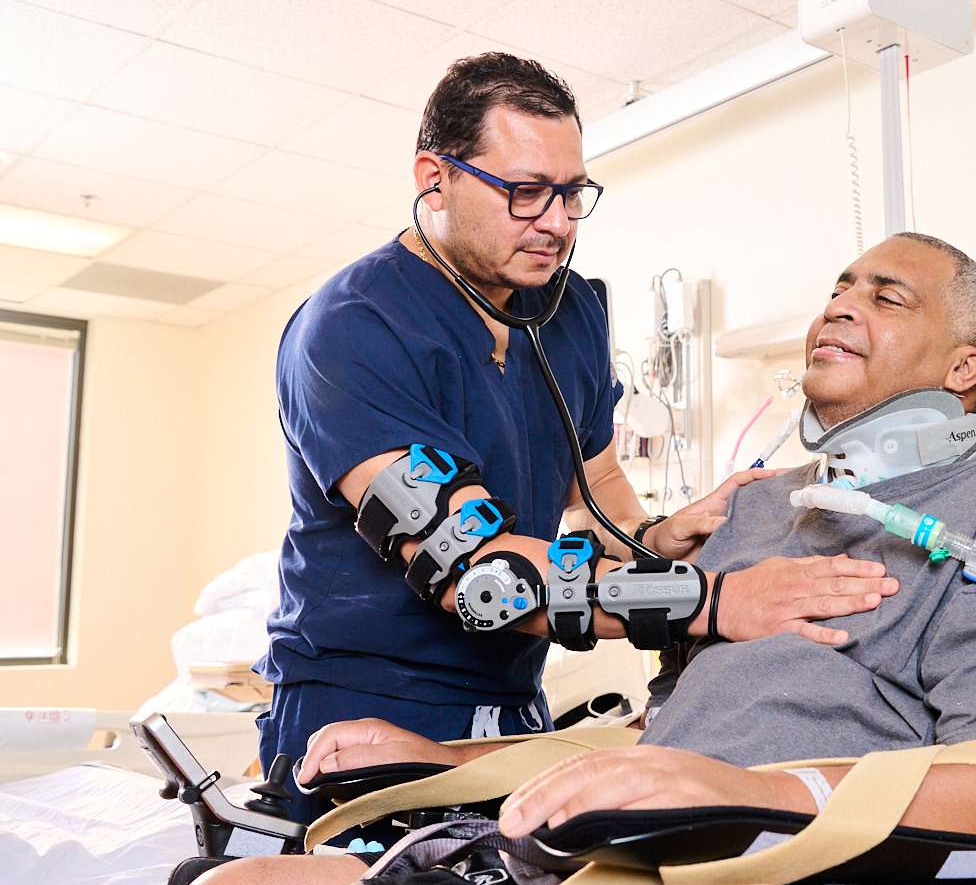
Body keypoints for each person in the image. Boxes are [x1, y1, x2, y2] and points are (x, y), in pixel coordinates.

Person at [147, 233, 976, 885]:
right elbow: (663, 738)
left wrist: (743, 791)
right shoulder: (762, 507)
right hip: (610, 864)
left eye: (886, 295)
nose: (839, 304)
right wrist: (451, 760)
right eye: (837, 286)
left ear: (964, 368)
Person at [259, 52, 899, 825]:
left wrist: (665, 536)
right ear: (435, 177)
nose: (558, 222)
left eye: (572, 193)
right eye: (526, 192)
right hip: (364, 707)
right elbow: (477, 575)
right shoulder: (352, 330)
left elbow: (598, 504)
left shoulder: (568, 312)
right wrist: (718, 598)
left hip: (513, 703)